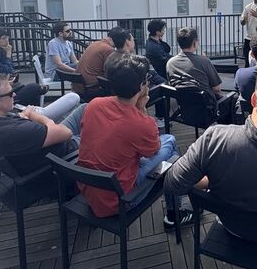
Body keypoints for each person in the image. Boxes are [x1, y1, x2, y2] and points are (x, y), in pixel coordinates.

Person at [165, 68, 257, 243]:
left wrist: (208, 179)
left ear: (253, 99)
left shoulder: (214, 138)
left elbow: (172, 184)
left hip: (229, 225)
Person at [77, 52, 193, 229]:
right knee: (170, 142)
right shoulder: (140, 124)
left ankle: (175, 210)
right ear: (141, 86)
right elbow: (153, 150)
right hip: (121, 200)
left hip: (90, 192)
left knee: (158, 148)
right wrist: (142, 110)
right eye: (147, 79)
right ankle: (174, 214)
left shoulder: (94, 105)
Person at [0, 72, 76, 177]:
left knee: (83, 108)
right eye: (10, 93)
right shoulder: (16, 131)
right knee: (84, 109)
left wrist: (25, 116)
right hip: (70, 157)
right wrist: (46, 121)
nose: (14, 94)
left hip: (39, 155)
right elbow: (66, 133)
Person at [0, 54, 80, 124]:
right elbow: (62, 134)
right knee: (77, 102)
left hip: (24, 115)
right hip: (31, 119)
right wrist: (28, 114)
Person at [166, 27, 237, 124]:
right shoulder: (204, 61)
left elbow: (172, 84)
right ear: (195, 43)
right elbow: (217, 89)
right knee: (232, 99)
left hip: (185, 109)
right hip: (207, 110)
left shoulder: (170, 63)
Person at [74, 26, 133, 97]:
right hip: (91, 88)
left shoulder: (96, 44)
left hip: (79, 86)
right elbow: (112, 72)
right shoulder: (108, 49)